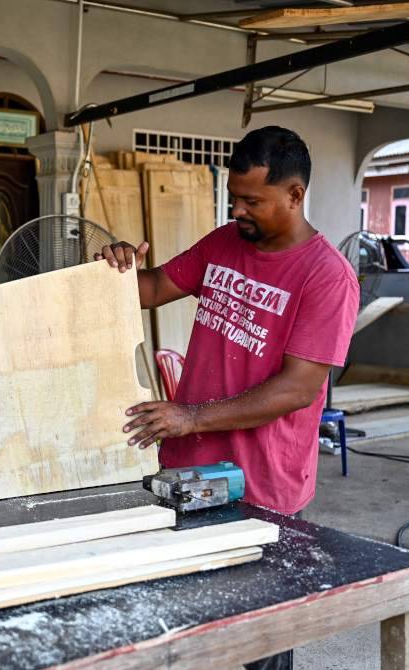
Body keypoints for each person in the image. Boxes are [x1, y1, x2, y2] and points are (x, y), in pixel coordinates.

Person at [98, 126, 359, 669]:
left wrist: (190, 416)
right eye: (234, 198)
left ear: (295, 194)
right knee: (180, 626)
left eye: (252, 201)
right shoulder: (224, 243)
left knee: (259, 640)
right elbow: (152, 288)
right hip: (186, 469)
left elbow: (298, 388)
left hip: (261, 485)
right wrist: (117, 270)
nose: (238, 210)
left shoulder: (327, 277)